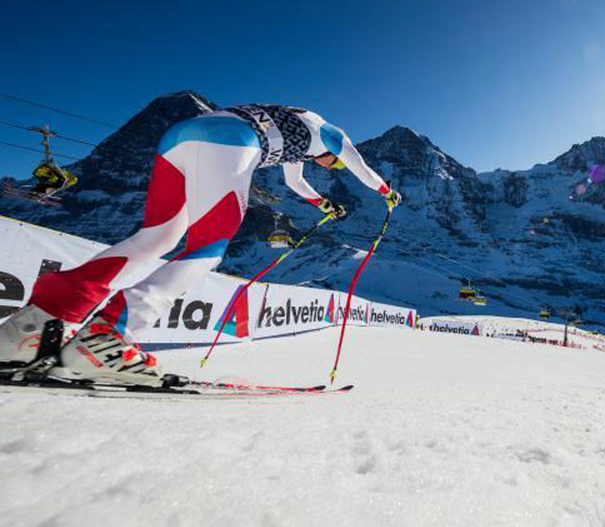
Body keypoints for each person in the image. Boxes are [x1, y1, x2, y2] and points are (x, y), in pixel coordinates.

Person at [0, 104, 401, 385]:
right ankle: (109, 335)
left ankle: (39, 323)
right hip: (232, 140)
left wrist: (321, 202)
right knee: (209, 245)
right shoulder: (331, 133)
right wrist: (386, 191)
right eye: (331, 161)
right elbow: (359, 164)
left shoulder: (298, 134)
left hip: (183, 135)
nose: (328, 163)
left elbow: (295, 182)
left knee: (158, 235)